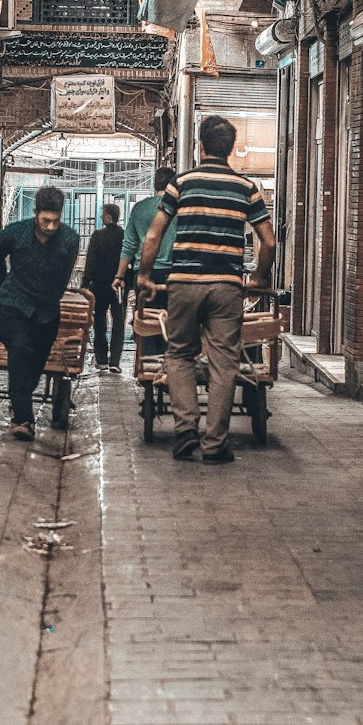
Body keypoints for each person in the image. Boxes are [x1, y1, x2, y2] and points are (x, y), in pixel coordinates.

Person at [138, 116, 276, 465]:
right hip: (226, 288)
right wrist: (259, 279)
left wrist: (143, 276)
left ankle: (185, 432)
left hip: (184, 284)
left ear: (200, 146)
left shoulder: (182, 183)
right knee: (224, 362)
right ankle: (215, 445)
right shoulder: (247, 188)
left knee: (180, 354)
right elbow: (269, 243)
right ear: (230, 148)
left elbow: (154, 236)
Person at [0, 186, 79, 441]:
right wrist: (5, 283)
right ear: (35, 212)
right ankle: (23, 419)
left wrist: (53, 296)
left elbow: (65, 276)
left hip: (47, 311)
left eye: (55, 221)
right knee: (19, 348)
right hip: (14, 304)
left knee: (37, 362)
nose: (50, 227)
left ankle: (20, 399)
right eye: (45, 221)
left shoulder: (70, 239)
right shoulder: (15, 233)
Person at [114, 167, 177, 361]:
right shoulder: (180, 208)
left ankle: (148, 367)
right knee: (173, 321)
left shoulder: (140, 208)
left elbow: (129, 245)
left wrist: (119, 276)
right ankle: (171, 365)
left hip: (145, 274)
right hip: (174, 275)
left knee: (147, 319)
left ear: (154, 184)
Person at [83, 203, 126, 372]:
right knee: (119, 323)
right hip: (119, 286)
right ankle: (115, 362)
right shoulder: (125, 236)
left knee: (99, 322)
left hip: (99, 286)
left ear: (108, 217)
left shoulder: (97, 236)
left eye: (102, 214)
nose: (100, 217)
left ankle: (101, 360)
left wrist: (85, 285)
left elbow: (90, 263)